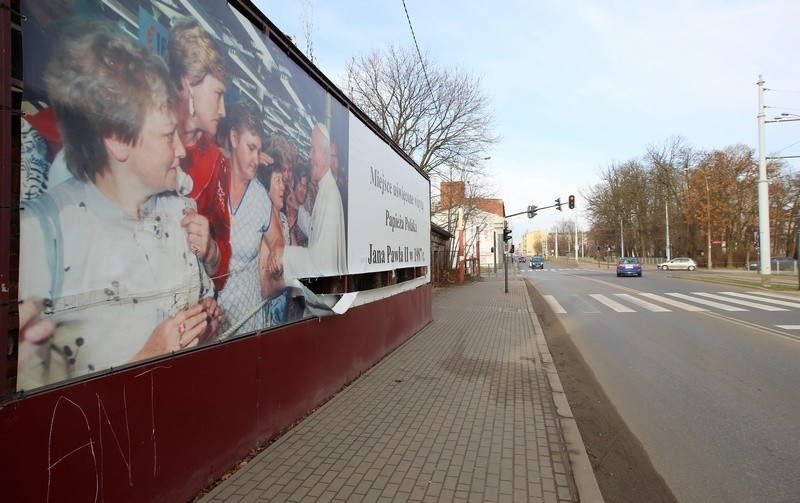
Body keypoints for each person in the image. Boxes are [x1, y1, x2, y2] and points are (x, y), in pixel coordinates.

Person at [17, 20, 222, 389]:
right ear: (118, 141)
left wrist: (204, 321)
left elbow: (205, 299)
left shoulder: (179, 212)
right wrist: (148, 356)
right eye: (166, 135)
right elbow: (36, 408)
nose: (180, 150)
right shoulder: (42, 236)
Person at [166, 18, 232, 291]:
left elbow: (222, 268)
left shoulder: (217, 162)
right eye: (218, 94)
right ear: (190, 83)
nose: (223, 110)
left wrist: (210, 251)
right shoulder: (141, 134)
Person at [216, 101, 271, 338]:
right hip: (213, 330)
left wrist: (278, 253)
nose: (256, 159)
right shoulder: (212, 179)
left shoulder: (260, 197)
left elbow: (278, 242)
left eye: (259, 150)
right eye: (251, 148)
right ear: (234, 138)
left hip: (248, 326)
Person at [270, 123, 346, 280]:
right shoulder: (325, 189)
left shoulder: (330, 195)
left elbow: (319, 263)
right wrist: (298, 207)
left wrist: (285, 254)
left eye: (313, 150)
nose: (310, 156)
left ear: (325, 157)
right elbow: (314, 229)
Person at [257, 162, 290, 323]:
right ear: (267, 191)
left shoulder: (283, 220)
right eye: (278, 181)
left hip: (284, 307)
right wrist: (295, 279)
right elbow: (266, 288)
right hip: (270, 314)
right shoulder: (265, 226)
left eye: (283, 181)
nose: (283, 186)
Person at [285, 163, 311, 246]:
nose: (303, 191)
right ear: (294, 184)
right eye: (300, 185)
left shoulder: (307, 206)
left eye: (305, 187)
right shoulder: (287, 207)